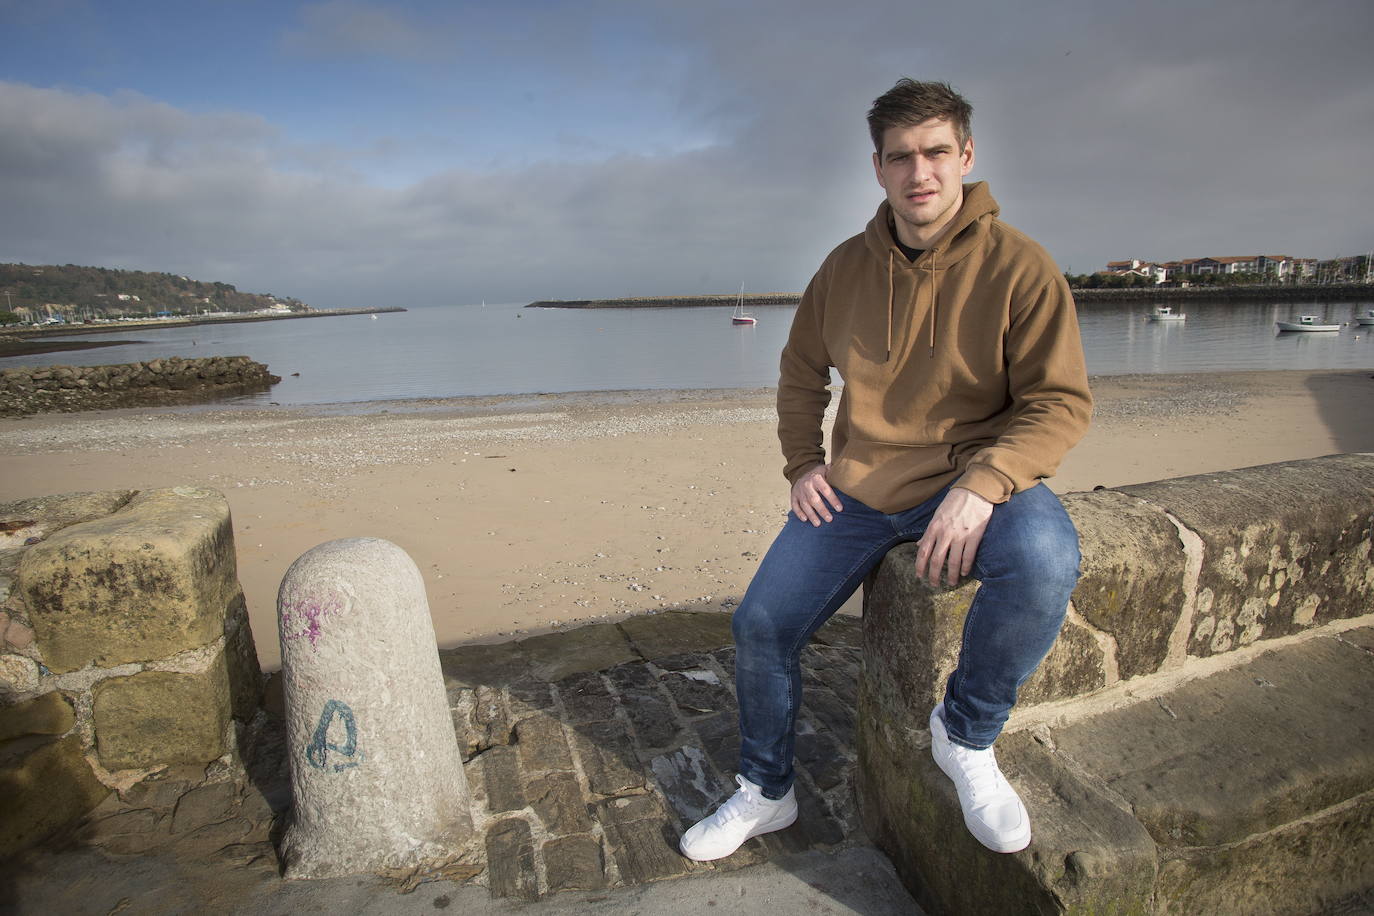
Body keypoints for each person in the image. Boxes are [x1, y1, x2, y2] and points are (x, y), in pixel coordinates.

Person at [679, 78, 1091, 859]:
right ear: (878, 168)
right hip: (859, 490)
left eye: (937, 152)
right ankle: (766, 792)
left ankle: (964, 734)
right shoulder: (843, 269)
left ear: (965, 155)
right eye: (900, 157)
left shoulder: (1021, 267)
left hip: (975, 476)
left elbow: (1058, 403)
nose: (920, 172)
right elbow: (802, 372)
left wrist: (984, 485)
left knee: (1044, 560)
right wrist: (803, 463)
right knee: (760, 624)